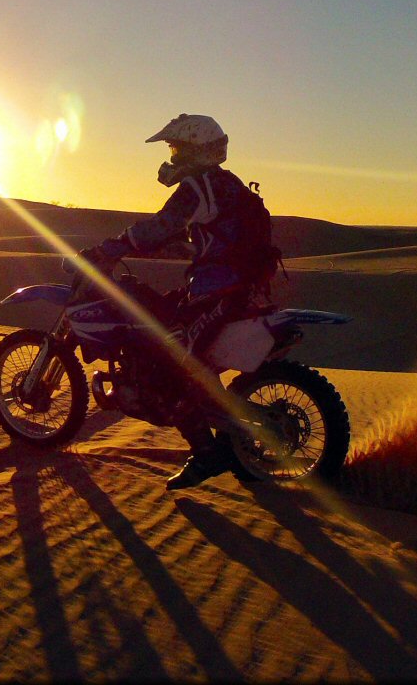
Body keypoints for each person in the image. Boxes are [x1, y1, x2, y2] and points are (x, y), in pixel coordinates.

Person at [78, 113, 274, 490]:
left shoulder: (198, 187)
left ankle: (207, 452)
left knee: (171, 364)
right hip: (229, 286)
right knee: (171, 336)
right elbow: (210, 234)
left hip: (220, 290)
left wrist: (111, 248)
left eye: (176, 147)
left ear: (193, 149)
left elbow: (157, 226)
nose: (172, 155)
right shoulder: (225, 184)